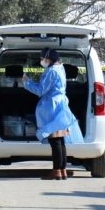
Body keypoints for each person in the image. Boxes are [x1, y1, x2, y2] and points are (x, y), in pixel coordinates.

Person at [23, 48, 82, 180]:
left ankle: (56, 171)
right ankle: (62, 170)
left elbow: (40, 90)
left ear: (48, 59)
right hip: (61, 106)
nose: (41, 61)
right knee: (60, 141)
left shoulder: (51, 71)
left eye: (42, 58)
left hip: (51, 107)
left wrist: (26, 82)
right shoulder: (60, 68)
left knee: (55, 141)